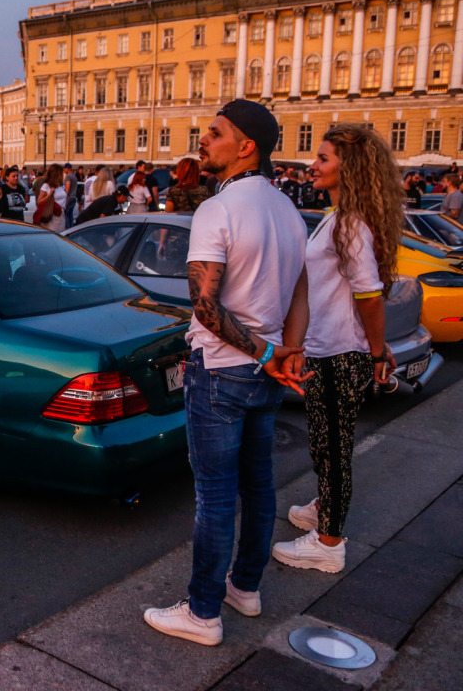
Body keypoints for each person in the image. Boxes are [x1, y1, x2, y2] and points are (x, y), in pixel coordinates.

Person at [144, 99, 309, 647]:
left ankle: (203, 613)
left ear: (246, 147)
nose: (203, 139)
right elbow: (300, 292)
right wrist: (287, 350)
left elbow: (206, 308)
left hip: (222, 370)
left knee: (215, 496)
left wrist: (267, 354)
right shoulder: (287, 209)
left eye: (214, 133)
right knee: (258, 486)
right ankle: (246, 587)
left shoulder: (219, 209)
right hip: (265, 373)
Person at [272, 124, 404, 574]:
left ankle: (328, 543)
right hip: (329, 348)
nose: (314, 164)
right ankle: (323, 506)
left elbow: (368, 294)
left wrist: (376, 350)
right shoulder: (340, 215)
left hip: (339, 352)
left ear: (350, 168)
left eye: (324, 158)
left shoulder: (349, 222)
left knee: (333, 449)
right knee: (324, 445)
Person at [35, 164, 66, 231]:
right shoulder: (46, 185)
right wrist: (49, 195)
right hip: (52, 215)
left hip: (61, 214)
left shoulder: (61, 186)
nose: (63, 175)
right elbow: (39, 202)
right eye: (61, 173)